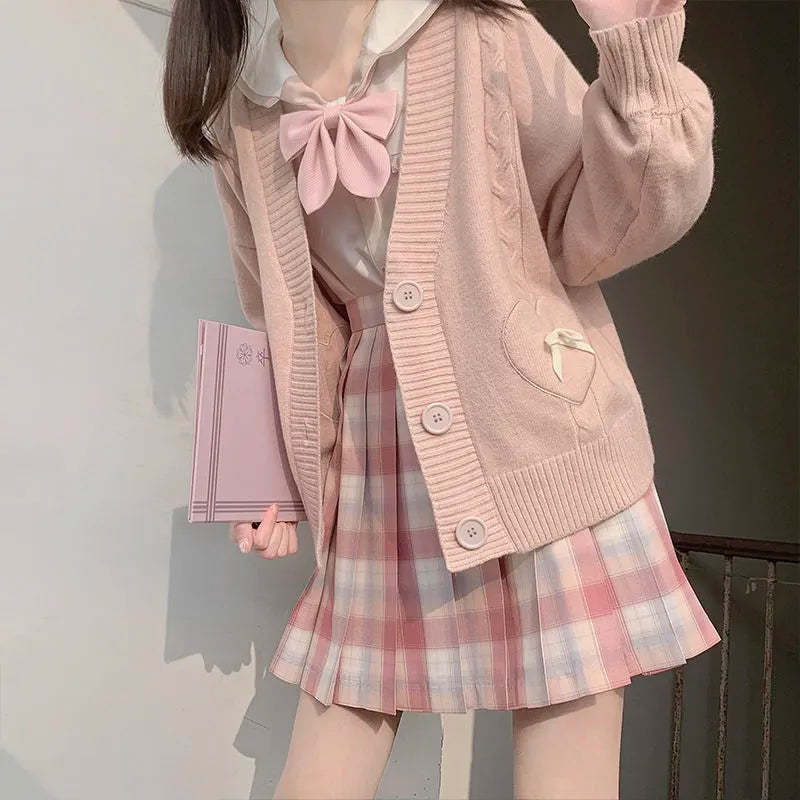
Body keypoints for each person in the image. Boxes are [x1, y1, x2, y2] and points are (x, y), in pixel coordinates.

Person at [163, 1, 721, 797]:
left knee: (567, 755)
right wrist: (262, 474)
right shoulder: (245, 112)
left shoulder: (481, 32)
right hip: (376, 459)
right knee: (331, 738)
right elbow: (278, 311)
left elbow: (598, 232)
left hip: (534, 433)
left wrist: (637, 59)